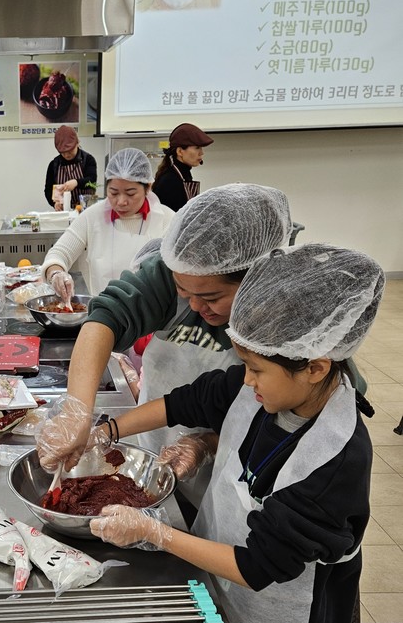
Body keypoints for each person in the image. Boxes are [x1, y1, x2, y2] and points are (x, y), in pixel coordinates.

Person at [89, 243, 383, 623]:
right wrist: (105, 432)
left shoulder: (336, 458)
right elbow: (184, 403)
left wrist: (154, 532)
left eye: (256, 369)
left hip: (288, 604)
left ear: (315, 368)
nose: (246, 379)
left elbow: (258, 565)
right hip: (223, 573)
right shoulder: (267, 388)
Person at [37, 183, 294, 511]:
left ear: (257, 280)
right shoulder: (178, 267)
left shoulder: (289, 325)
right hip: (155, 456)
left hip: (243, 475)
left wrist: (208, 443)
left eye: (211, 297)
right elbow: (105, 319)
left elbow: (286, 420)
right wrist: (78, 412)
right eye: (183, 292)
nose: (195, 306)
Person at [41, 148, 175, 298]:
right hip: (103, 310)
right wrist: (56, 273)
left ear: (148, 187)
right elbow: (59, 253)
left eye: (130, 193)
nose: (121, 201)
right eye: (114, 193)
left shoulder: (167, 220)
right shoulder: (92, 217)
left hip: (151, 311)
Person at [152, 123, 214, 212]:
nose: (201, 153)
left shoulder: (182, 173)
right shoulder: (170, 181)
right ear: (180, 151)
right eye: (197, 148)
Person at [43, 125, 98, 211]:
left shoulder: (88, 159)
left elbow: (92, 180)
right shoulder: (54, 165)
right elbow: (48, 190)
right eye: (63, 152)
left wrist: (76, 182)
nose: (67, 155)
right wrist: (55, 204)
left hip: (87, 209)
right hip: (64, 211)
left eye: (70, 151)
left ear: (77, 143)